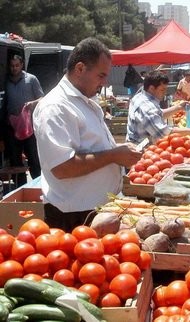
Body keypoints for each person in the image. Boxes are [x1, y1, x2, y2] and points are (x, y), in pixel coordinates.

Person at [33, 37, 142, 233]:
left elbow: (93, 146)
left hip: (96, 211)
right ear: (80, 68)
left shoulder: (85, 100)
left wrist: (118, 152)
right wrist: (113, 155)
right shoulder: (55, 107)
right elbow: (62, 168)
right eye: (101, 75)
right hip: (74, 216)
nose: (104, 82)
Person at [126, 71, 190, 145]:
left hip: (136, 145)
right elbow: (163, 133)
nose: (165, 92)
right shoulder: (146, 106)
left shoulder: (140, 96)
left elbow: (158, 114)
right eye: (162, 89)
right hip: (139, 151)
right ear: (151, 88)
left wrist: (178, 107)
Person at [4, 54, 43, 187]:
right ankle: (20, 189)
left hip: (29, 129)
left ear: (21, 65)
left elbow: (42, 98)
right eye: (12, 66)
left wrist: (33, 103)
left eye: (17, 65)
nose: (14, 68)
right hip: (12, 129)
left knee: (33, 160)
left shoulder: (31, 79)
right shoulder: (6, 81)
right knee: (15, 162)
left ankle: (38, 187)